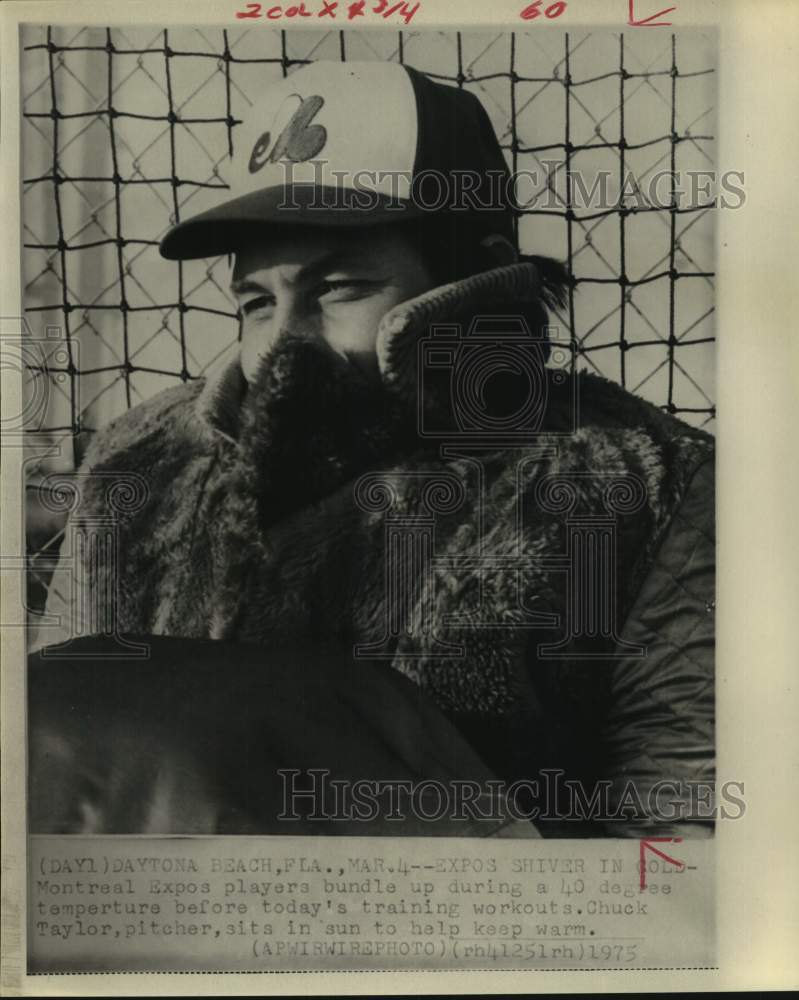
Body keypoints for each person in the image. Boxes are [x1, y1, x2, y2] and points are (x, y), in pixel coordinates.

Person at [33, 60, 715, 837]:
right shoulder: (143, 462)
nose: (280, 346)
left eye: (339, 288)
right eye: (257, 303)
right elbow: (58, 753)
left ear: (476, 274)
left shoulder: (641, 478)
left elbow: (680, 827)